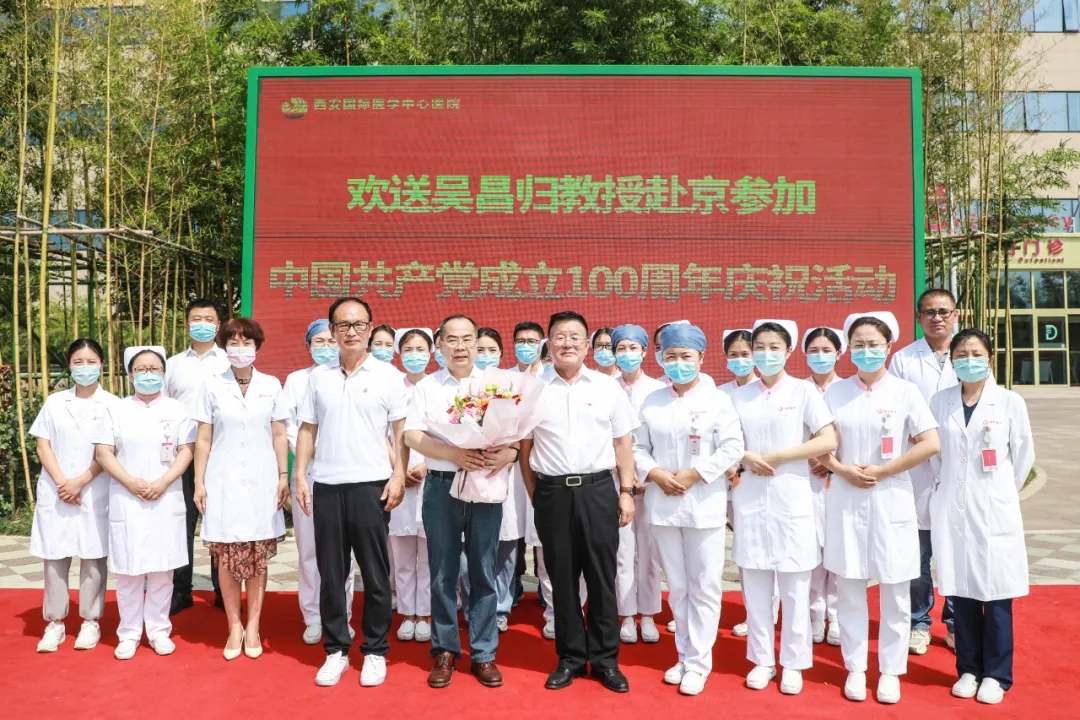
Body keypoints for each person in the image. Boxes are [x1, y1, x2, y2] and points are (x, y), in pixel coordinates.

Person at [818, 312, 941, 704]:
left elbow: (930, 443)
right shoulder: (835, 393)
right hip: (846, 496)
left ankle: (890, 671)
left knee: (896, 591)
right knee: (850, 588)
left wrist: (886, 470)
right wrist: (842, 469)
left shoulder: (905, 392)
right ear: (848, 349)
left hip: (891, 497)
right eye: (859, 344)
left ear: (888, 347)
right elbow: (818, 446)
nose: (866, 350)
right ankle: (855, 667)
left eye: (874, 344)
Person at [519, 311, 638, 693]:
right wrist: (538, 496)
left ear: (587, 345)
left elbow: (622, 443)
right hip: (552, 493)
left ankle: (605, 661)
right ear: (548, 344)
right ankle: (570, 657)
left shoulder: (607, 388)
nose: (566, 343)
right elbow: (525, 450)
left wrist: (625, 491)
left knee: (602, 577)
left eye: (574, 337)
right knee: (562, 578)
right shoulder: (533, 389)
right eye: (559, 336)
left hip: (598, 491)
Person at [292, 297, 407, 688]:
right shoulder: (318, 378)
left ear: (370, 329)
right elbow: (307, 429)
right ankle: (336, 649)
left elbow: (400, 431)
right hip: (327, 485)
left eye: (359, 325)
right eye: (343, 325)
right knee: (331, 573)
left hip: (372, 485)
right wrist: (300, 475)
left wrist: (398, 474)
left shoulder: (388, 376)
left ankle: (374, 650)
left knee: (375, 574)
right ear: (332, 330)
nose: (352, 332)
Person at [633, 323, 744, 696]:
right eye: (671, 356)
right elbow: (637, 447)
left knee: (705, 586)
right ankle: (683, 655)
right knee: (678, 586)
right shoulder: (653, 402)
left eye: (686, 356)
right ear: (661, 359)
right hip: (663, 504)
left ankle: (699, 662)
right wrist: (656, 474)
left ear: (700, 357)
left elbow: (732, 447)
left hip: (703, 505)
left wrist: (696, 474)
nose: (678, 363)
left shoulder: (718, 400)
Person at [404, 315, 514, 689]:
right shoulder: (427, 386)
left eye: (468, 339)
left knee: (483, 570)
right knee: (442, 572)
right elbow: (412, 436)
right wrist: (454, 454)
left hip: (485, 484)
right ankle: (445, 650)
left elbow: (517, 437)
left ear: (477, 342)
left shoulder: (497, 384)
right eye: (452, 339)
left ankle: (484, 653)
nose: (461, 346)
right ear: (440, 345)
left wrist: (509, 454)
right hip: (441, 486)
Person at [729, 319, 837, 695]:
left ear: (789, 351)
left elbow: (827, 438)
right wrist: (747, 456)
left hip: (792, 495)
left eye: (774, 347)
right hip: (750, 495)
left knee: (794, 587)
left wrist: (778, 456)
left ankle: (794, 662)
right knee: (756, 585)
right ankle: (762, 660)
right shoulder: (739, 396)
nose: (766, 354)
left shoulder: (803, 392)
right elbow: (724, 441)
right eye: (759, 347)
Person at [930, 329, 1034, 705]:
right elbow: (935, 455)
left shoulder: (1009, 402)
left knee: (997, 595)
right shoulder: (939, 401)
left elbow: (1022, 458)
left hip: (994, 510)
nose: (969, 360)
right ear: (952, 360)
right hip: (953, 508)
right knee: (963, 593)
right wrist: (953, 488)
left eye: (976, 353)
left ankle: (997, 675)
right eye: (961, 354)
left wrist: (996, 493)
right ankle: (969, 669)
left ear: (990, 358)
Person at [192, 318, 289, 660]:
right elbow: (204, 438)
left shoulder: (271, 385)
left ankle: (254, 625)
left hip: (263, 481)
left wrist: (283, 475)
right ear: (224, 347)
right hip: (223, 480)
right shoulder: (212, 385)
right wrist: (199, 481)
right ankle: (234, 625)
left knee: (257, 555)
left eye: (246, 342)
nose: (240, 348)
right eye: (233, 342)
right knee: (227, 552)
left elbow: (279, 433)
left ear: (257, 346)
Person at [93, 346, 195, 660]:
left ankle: (159, 630)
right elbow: (103, 452)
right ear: (130, 375)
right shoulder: (116, 409)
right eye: (141, 369)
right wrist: (129, 481)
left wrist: (164, 482)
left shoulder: (178, 409)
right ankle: (128, 633)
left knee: (163, 569)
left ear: (163, 374)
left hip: (166, 496)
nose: (148, 374)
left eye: (154, 369)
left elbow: (187, 450)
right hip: (128, 497)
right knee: (129, 570)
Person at [30, 339, 117, 653]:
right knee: (55, 557)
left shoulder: (113, 405)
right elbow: (43, 445)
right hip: (57, 491)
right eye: (78, 362)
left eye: (91, 361)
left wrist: (79, 482)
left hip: (94, 489)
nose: (85, 368)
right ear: (69, 366)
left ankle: (90, 620)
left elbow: (110, 452)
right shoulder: (55, 402)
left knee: (93, 556)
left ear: (102, 365)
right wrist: (62, 482)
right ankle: (55, 622)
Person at [276, 319, 356, 645]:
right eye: (318, 342)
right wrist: (312, 452)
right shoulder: (297, 380)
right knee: (309, 549)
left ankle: (342, 615)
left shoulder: (349, 376)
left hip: (345, 472)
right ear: (307, 346)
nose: (326, 347)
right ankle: (312, 615)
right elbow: (289, 426)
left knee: (343, 552)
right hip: (307, 473)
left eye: (330, 341)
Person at [888, 288, 959, 654]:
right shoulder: (903, 359)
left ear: (956, 314)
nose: (937, 317)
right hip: (916, 467)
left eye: (944, 311)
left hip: (958, 467)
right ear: (919, 318)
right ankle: (918, 621)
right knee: (917, 556)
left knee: (955, 553)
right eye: (929, 312)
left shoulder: (969, 352)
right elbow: (895, 410)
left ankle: (956, 624)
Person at [164, 298, 229, 614]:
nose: (202, 324)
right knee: (182, 522)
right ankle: (181, 589)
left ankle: (222, 589)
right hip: (183, 454)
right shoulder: (172, 365)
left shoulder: (229, 361)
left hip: (220, 453)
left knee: (220, 522)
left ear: (218, 325)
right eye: (196, 319)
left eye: (208, 319)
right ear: (187, 323)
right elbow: (162, 408)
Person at [611, 324, 665, 644]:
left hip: (650, 484)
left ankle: (648, 614)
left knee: (649, 552)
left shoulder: (658, 391)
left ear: (645, 351)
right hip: (616, 484)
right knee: (623, 552)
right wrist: (623, 475)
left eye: (634, 348)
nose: (627, 354)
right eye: (621, 348)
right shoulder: (605, 389)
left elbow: (661, 439)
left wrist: (645, 473)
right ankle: (627, 614)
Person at [802, 326, 847, 647]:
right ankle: (815, 615)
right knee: (812, 552)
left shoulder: (847, 391)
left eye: (826, 350)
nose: (820, 356)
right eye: (813, 351)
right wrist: (811, 458)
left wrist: (831, 461)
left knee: (839, 550)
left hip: (841, 479)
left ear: (838, 354)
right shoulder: (798, 391)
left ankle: (838, 616)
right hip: (806, 480)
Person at [479, 328, 526, 634]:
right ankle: (477, 603)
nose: (486, 356)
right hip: (470, 471)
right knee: (472, 547)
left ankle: (500, 606)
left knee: (506, 544)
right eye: (480, 349)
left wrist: (510, 454)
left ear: (501, 353)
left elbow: (525, 433)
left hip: (507, 475)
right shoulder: (461, 386)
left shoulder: (512, 388)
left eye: (491, 350)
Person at [719, 328, 765, 639]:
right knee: (739, 551)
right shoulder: (718, 394)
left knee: (758, 549)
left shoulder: (765, 391)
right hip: (722, 484)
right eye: (733, 355)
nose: (739, 360)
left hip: (756, 481)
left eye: (745, 354)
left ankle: (761, 612)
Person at [390, 327, 435, 643]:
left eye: (420, 349)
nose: (414, 355)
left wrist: (427, 465)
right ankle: (407, 612)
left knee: (430, 556)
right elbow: (383, 433)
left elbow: (448, 435)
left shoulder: (438, 388)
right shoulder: (392, 388)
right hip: (399, 480)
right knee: (403, 554)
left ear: (431, 352)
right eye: (408, 349)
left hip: (433, 477)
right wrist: (399, 468)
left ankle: (426, 613)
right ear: (399, 353)